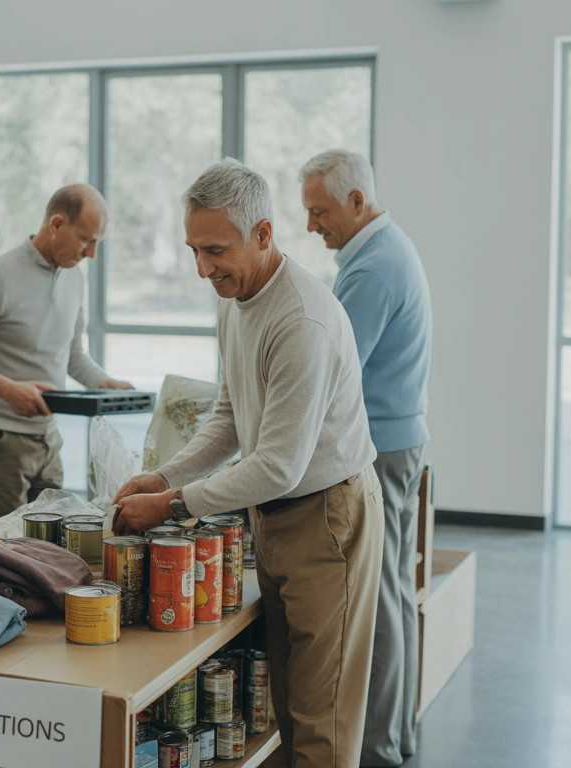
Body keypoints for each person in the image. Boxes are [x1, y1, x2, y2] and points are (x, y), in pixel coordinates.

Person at [113, 159, 384, 768]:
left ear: (263, 234)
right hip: (278, 514)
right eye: (194, 249)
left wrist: (171, 503)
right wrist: (165, 475)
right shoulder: (234, 297)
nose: (203, 267)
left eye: (215, 249)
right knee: (289, 705)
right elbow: (230, 417)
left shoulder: (301, 320)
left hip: (327, 517)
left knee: (324, 723)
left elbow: (279, 465)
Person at [301, 149, 432, 767]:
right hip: (400, 439)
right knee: (396, 596)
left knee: (378, 604)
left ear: (357, 202)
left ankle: (377, 748)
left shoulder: (373, 267)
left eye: (319, 211)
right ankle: (396, 737)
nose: (311, 225)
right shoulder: (385, 250)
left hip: (377, 448)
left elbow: (331, 369)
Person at [0, 184, 132, 525]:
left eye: (97, 242)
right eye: (86, 240)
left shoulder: (75, 279)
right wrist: (7, 389)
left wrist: (104, 382)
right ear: (56, 224)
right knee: (9, 554)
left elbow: (71, 354)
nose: (92, 254)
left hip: (48, 439)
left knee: (52, 548)